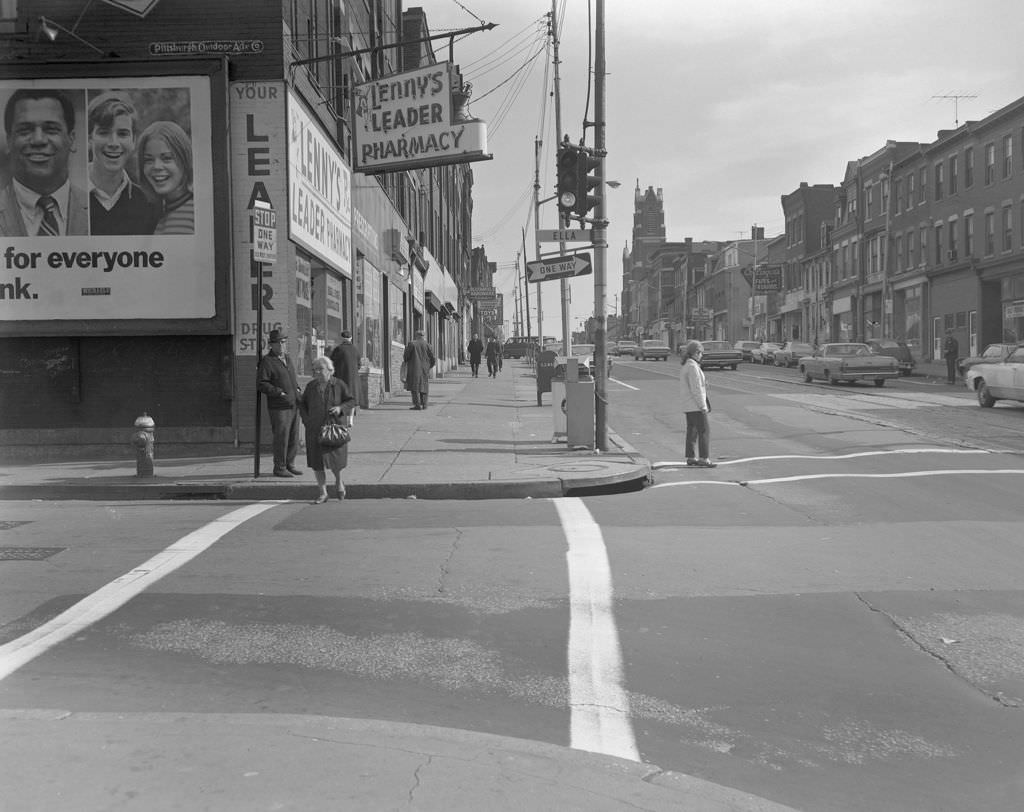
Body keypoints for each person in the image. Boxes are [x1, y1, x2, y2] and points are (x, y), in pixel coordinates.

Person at [0, 88, 89, 237]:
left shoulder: (95, 208)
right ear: (9, 141)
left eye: (51, 129)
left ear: (72, 139)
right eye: (25, 130)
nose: (38, 140)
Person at [86, 92, 159, 235]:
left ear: (134, 140)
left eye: (122, 134)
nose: (114, 143)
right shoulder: (68, 199)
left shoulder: (149, 205)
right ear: (90, 138)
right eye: (104, 132)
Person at [299, 356, 356, 503]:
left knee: (336, 461)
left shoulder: (339, 384)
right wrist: (307, 421)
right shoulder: (311, 386)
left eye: (320, 369)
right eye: (315, 370)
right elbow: (303, 404)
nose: (317, 372)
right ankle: (323, 492)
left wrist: (340, 408)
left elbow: (351, 400)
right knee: (317, 462)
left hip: (334, 428)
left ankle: (339, 482)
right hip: (315, 429)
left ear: (330, 370)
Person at [257, 328, 302, 477]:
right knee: (281, 437)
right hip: (279, 407)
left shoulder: (287, 358)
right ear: (272, 345)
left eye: (284, 342)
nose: (283, 345)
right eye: (280, 342)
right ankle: (279, 467)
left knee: (294, 437)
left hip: (293, 404)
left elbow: (291, 378)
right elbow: (262, 384)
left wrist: (297, 389)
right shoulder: (267, 361)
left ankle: (290, 464)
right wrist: (279, 392)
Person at [136, 120, 194, 234]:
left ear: (185, 160)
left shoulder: (198, 211)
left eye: (167, 158)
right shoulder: (158, 214)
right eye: (148, 160)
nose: (156, 166)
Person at [680, 339, 715, 468]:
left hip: (688, 405)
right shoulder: (693, 367)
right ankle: (704, 458)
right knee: (704, 430)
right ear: (695, 353)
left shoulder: (686, 365)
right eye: (700, 353)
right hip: (695, 405)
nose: (701, 355)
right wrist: (703, 406)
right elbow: (696, 389)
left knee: (692, 431)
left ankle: (691, 456)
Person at [330, 329, 361, 424]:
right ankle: (350, 419)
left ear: (341, 338)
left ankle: (342, 417)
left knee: (341, 397)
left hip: (341, 377)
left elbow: (332, 362)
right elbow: (359, 364)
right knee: (351, 397)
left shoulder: (338, 349)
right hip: (353, 378)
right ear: (351, 338)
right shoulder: (355, 349)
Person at [403, 329, 436, 409]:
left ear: (416, 336)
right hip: (425, 369)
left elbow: (406, 356)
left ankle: (417, 405)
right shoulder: (428, 345)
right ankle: (424, 404)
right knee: (424, 386)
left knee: (415, 386)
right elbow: (433, 358)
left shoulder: (412, 344)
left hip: (414, 368)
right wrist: (429, 366)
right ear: (423, 336)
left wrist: (407, 361)